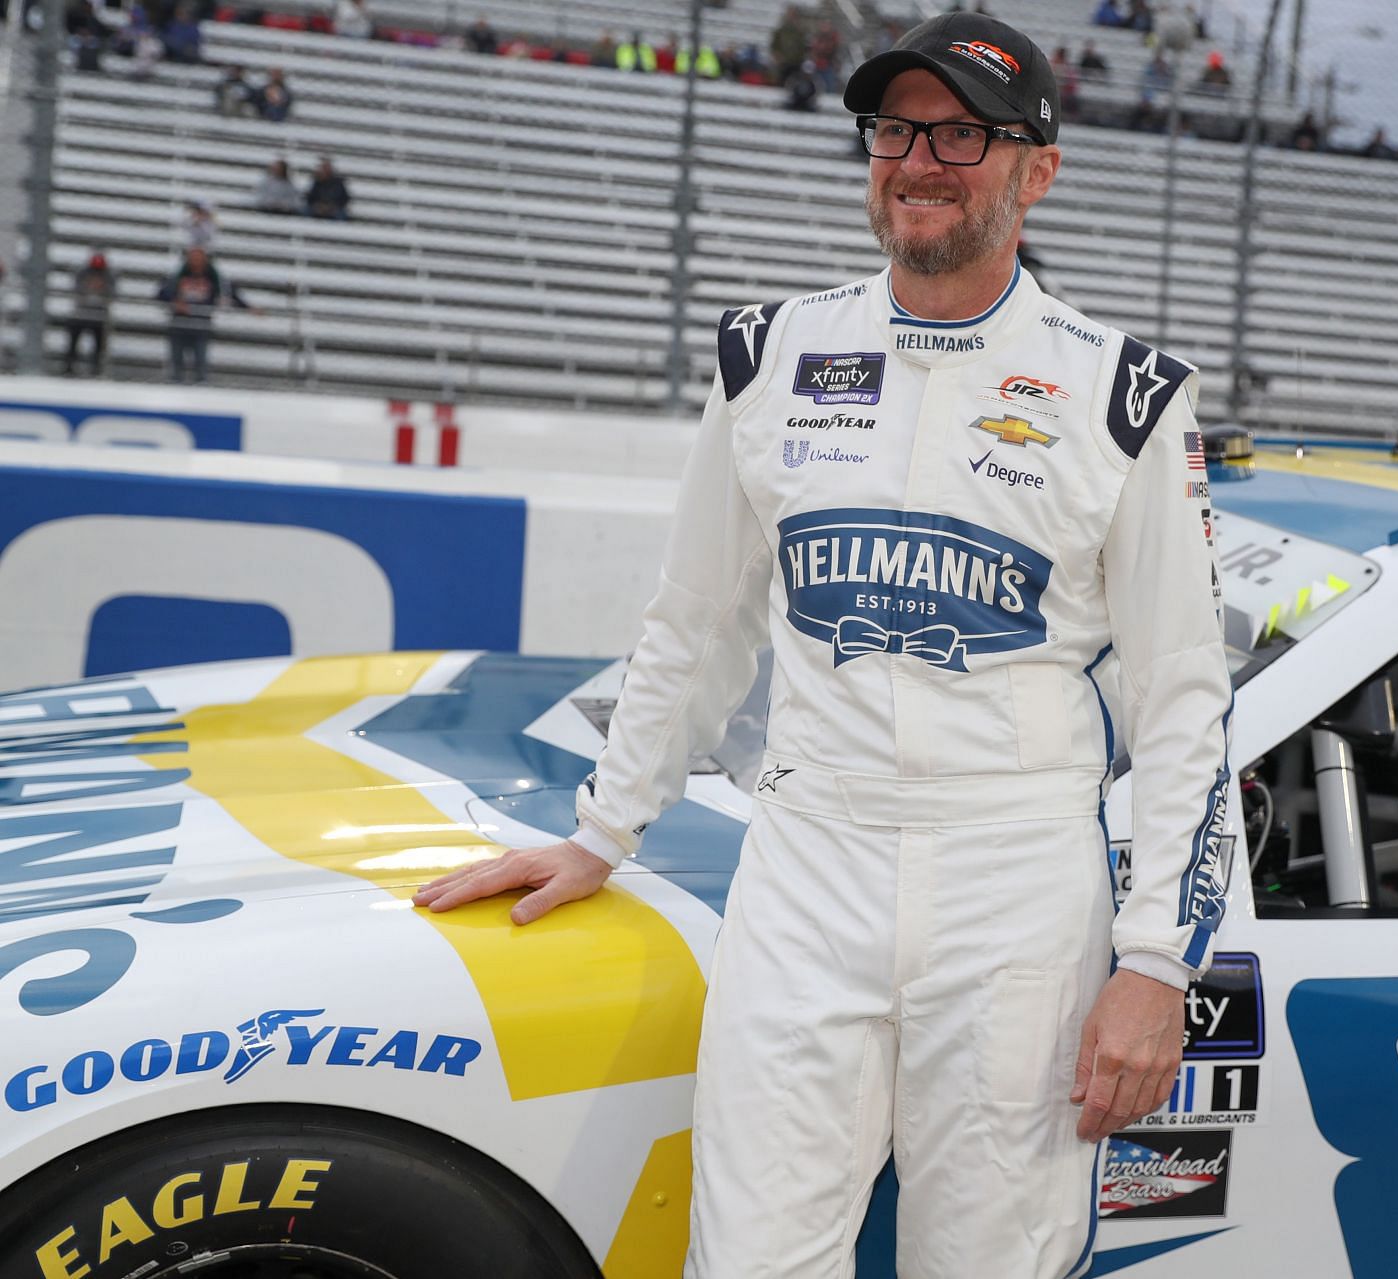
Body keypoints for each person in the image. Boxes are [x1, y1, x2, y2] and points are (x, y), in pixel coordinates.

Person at [413, 13, 1231, 1277]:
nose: (919, 160)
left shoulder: (1126, 395)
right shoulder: (771, 354)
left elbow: (1185, 700)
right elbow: (695, 621)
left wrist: (1160, 961)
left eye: (964, 133)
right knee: (747, 1261)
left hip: (1017, 882)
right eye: (896, 129)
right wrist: (601, 829)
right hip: (805, 863)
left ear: (1038, 168)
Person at [155, 247, 255, 383]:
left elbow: (231, 293)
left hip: (201, 324)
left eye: (199, 258)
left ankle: (200, 384)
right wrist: (175, 302)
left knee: (201, 359)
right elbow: (161, 294)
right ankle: (175, 382)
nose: (196, 261)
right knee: (176, 359)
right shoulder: (177, 276)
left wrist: (248, 307)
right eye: (193, 258)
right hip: (179, 322)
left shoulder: (214, 277)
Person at [63, 251, 116, 376]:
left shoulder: (109, 277)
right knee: (73, 342)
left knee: (99, 345)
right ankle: (69, 366)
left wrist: (101, 290)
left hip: (99, 315)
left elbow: (113, 294)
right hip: (81, 313)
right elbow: (76, 291)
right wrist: (88, 288)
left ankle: (96, 369)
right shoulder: (82, 274)